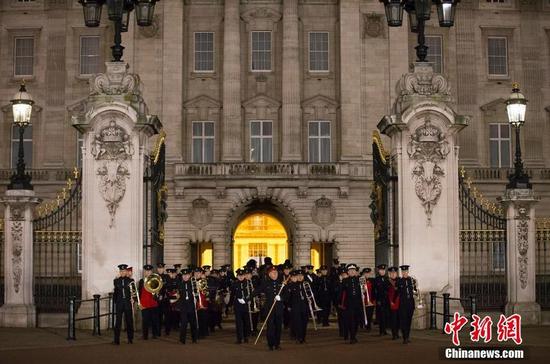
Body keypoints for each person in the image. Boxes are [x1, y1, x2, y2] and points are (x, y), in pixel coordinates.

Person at [254, 265, 289, 351]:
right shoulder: (265, 283)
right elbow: (256, 292)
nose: (275, 274)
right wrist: (246, 298)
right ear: (269, 274)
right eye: (273, 273)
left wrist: (281, 298)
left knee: (278, 327)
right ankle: (270, 344)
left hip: (279, 308)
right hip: (269, 308)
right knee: (270, 327)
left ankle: (277, 344)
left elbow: (287, 296)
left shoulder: (282, 283)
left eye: (276, 272)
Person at [340, 264, 364, 344]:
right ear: (348, 272)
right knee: (351, 320)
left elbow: (365, 291)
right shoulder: (344, 281)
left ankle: (354, 334)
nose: (352, 271)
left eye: (354, 270)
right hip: (349, 304)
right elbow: (341, 293)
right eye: (350, 270)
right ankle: (352, 337)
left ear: (355, 271)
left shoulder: (360, 279)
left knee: (357, 320)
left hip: (358, 303)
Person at [113, 264, 134, 345]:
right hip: (119, 303)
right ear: (119, 272)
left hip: (128, 303)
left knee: (129, 321)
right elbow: (116, 292)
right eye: (121, 271)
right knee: (118, 322)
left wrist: (133, 299)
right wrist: (115, 302)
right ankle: (116, 339)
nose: (122, 272)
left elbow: (134, 293)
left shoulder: (131, 280)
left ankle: (130, 338)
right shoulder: (116, 281)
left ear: (126, 271)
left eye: (124, 271)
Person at [138, 264, 161, 340]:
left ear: (151, 271)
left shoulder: (155, 280)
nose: (147, 272)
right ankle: (145, 335)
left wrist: (157, 293)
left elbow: (158, 290)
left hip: (153, 303)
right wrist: (139, 303)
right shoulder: (141, 281)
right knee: (145, 321)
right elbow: (139, 293)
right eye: (146, 271)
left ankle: (154, 334)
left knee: (154, 320)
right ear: (144, 272)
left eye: (149, 271)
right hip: (144, 304)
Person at [177, 268, 198, 344]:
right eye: (184, 275)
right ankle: (182, 340)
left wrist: (196, 296)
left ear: (189, 275)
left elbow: (197, 294)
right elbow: (178, 295)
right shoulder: (179, 284)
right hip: (183, 306)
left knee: (193, 323)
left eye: (187, 275)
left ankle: (194, 339)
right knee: (183, 323)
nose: (185, 277)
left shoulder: (193, 283)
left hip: (191, 306)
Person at [230, 269, 250, 344]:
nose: (241, 277)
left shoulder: (248, 283)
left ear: (244, 276)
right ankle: (239, 338)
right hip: (237, 305)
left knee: (246, 322)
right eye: (239, 276)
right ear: (237, 276)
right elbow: (232, 295)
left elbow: (250, 294)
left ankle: (246, 337)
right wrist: (230, 304)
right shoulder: (235, 284)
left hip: (246, 305)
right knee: (238, 323)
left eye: (242, 275)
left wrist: (246, 300)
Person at [288, 270, 309, 344]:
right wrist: (289, 306)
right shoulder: (292, 285)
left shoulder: (306, 284)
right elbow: (289, 297)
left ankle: (303, 337)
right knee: (298, 323)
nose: (300, 277)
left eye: (302, 276)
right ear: (296, 277)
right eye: (298, 276)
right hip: (295, 307)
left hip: (305, 306)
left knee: (304, 323)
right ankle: (299, 337)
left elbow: (311, 295)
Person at [397, 265, 415, 344]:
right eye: (403, 272)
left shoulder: (412, 280)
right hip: (402, 304)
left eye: (406, 271)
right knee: (403, 321)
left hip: (410, 303)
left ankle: (407, 336)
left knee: (409, 321)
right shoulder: (399, 281)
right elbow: (397, 293)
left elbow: (414, 290)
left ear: (408, 272)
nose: (404, 273)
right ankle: (405, 337)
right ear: (401, 272)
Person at [373, 263, 390, 336]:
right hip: (379, 300)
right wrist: (376, 300)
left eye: (383, 270)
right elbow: (374, 291)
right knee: (380, 315)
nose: (382, 271)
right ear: (378, 271)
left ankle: (385, 329)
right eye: (381, 270)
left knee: (386, 315)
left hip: (387, 300)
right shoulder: (376, 280)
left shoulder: (388, 279)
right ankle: (381, 330)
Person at [163, 267, 179, 335]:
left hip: (175, 300)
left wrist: (175, 296)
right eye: (169, 273)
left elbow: (178, 290)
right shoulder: (166, 280)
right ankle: (167, 330)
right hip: (167, 300)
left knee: (175, 314)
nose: (170, 275)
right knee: (167, 315)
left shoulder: (177, 280)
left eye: (171, 273)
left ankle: (175, 326)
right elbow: (164, 290)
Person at [334, 267, 348, 340]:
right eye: (342, 275)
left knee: (347, 318)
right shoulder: (337, 283)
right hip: (339, 304)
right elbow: (336, 294)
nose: (343, 276)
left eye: (345, 275)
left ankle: (346, 331)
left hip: (347, 303)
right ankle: (342, 331)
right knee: (341, 318)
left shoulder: (349, 282)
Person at [387, 266, 401, 340]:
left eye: (394, 273)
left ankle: (397, 333)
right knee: (393, 319)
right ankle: (394, 334)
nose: (393, 274)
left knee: (398, 319)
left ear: (396, 273)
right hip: (391, 303)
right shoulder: (387, 281)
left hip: (398, 303)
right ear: (389, 273)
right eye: (391, 273)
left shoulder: (399, 281)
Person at [361, 267, 375, 332]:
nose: (367, 275)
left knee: (370, 314)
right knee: (365, 313)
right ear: (363, 273)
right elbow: (361, 291)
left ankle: (369, 325)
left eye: (368, 273)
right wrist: (363, 289)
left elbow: (374, 290)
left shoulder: (372, 280)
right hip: (365, 300)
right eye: (366, 273)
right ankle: (366, 325)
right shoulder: (362, 279)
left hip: (371, 300)